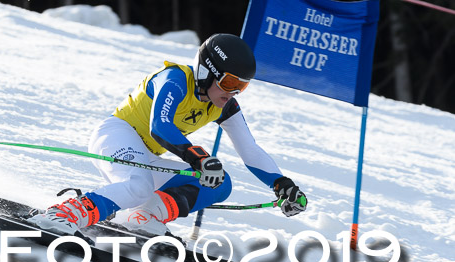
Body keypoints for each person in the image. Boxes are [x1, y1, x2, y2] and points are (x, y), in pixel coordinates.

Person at [30, 33, 307, 236]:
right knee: (138, 185)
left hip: (146, 154)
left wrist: (282, 184)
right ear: (208, 72)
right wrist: (197, 157)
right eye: (230, 82)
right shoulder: (174, 80)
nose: (233, 92)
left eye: (242, 87)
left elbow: (251, 150)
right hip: (117, 136)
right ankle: (65, 213)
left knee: (219, 183)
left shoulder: (224, 105)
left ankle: (145, 216)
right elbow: (159, 126)